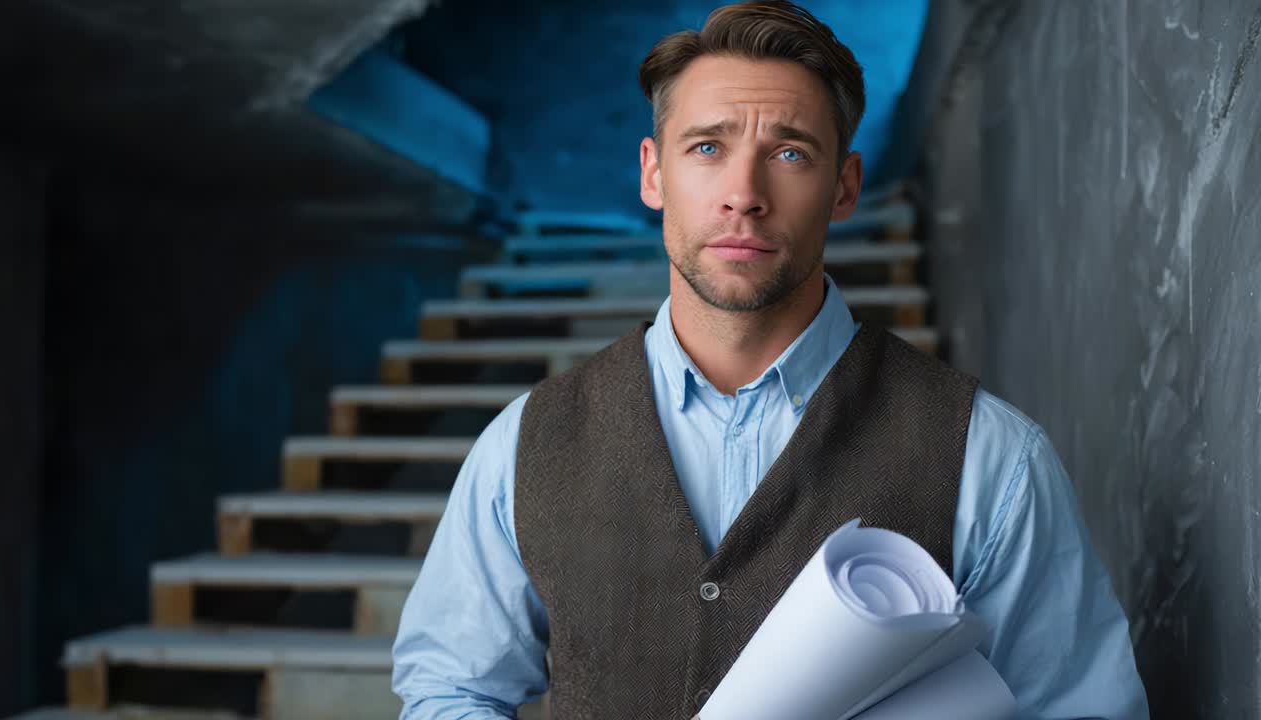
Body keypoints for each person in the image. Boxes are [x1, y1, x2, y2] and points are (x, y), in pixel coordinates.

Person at [391, 2, 1150, 718]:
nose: (743, 194)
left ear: (844, 186)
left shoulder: (990, 456)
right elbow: (449, 688)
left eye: (789, 152)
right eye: (708, 147)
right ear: (654, 173)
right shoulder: (526, 448)